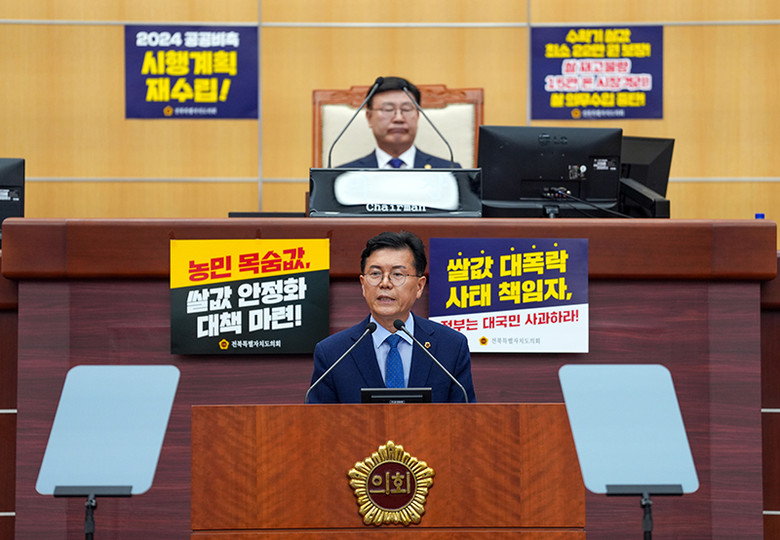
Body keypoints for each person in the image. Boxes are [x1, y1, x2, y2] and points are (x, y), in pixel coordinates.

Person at [307, 231, 476, 403]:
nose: (385, 283)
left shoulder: (450, 347)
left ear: (419, 286)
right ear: (363, 285)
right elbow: (319, 419)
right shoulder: (333, 353)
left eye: (397, 274)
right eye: (375, 274)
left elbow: (465, 416)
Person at [338, 76, 461, 169]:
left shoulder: (448, 171)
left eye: (406, 109)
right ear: (369, 117)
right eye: (388, 109)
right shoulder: (346, 174)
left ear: (417, 115)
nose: (398, 118)